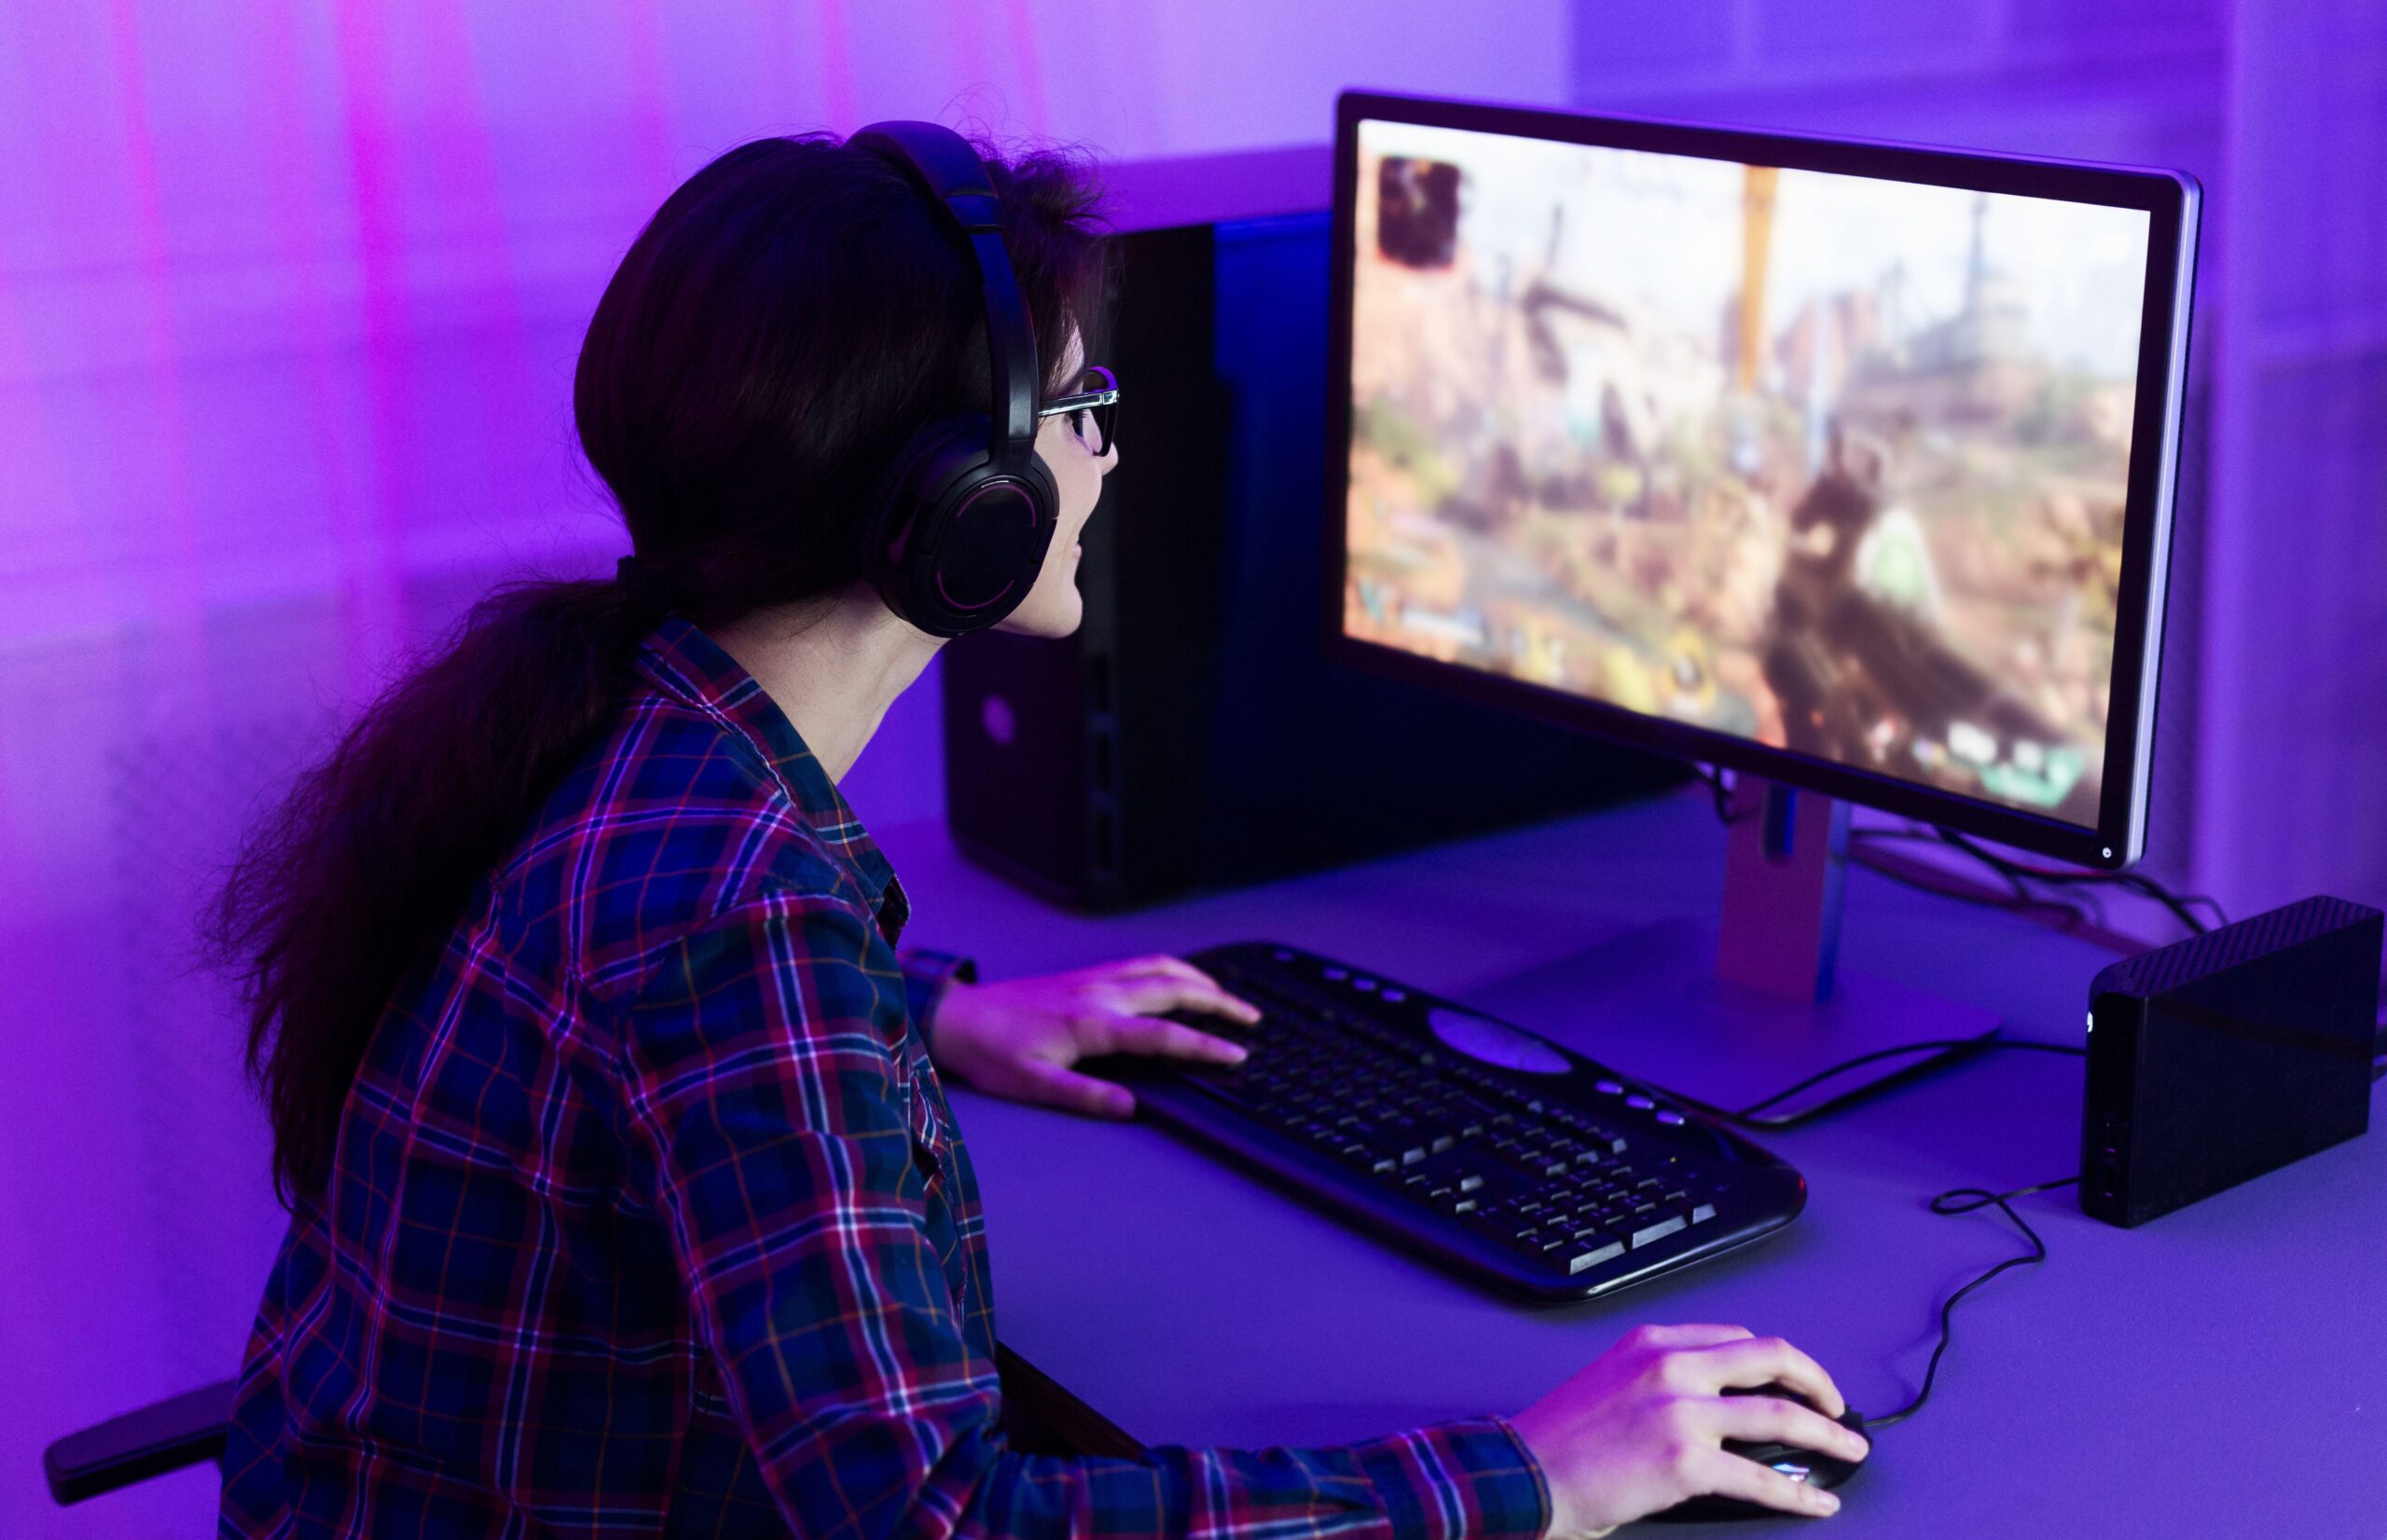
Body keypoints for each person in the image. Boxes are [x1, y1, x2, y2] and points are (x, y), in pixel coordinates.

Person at [208, 126, 1867, 1538]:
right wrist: (1535, 1477)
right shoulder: (744, 923)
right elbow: (946, 1520)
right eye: (1080, 405)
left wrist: (928, 1013)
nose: (1110, 448)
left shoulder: (622, 729)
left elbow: (640, 1014)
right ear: (960, 507)